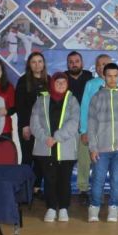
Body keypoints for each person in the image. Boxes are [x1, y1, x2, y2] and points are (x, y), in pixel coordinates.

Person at [87, 63, 118, 223]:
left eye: (116, 76)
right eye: (109, 76)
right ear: (104, 76)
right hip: (101, 149)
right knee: (98, 180)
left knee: (117, 180)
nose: (113, 79)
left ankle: (114, 208)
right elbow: (91, 125)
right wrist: (93, 147)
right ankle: (94, 208)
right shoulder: (96, 97)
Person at [31, 72, 81, 223]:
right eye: (57, 82)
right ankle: (51, 208)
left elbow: (74, 122)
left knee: (64, 180)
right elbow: (34, 122)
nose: (60, 85)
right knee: (49, 179)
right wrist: (45, 138)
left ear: (67, 84)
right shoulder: (41, 100)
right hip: (45, 146)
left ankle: (64, 208)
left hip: (65, 147)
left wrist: (57, 137)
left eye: (63, 82)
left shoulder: (72, 100)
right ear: (52, 84)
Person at [15, 52, 50, 194]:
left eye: (40, 61)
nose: (37, 64)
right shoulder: (23, 81)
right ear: (29, 64)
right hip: (28, 126)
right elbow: (20, 105)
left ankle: (36, 188)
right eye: (33, 62)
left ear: (44, 63)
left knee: (42, 158)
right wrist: (25, 126)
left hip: (44, 128)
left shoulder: (50, 80)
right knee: (27, 157)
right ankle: (24, 188)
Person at [64, 51, 93, 204]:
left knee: (84, 159)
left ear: (82, 63)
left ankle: (83, 189)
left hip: (84, 125)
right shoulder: (62, 79)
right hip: (67, 125)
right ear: (67, 64)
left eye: (77, 61)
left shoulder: (90, 78)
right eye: (71, 62)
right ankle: (64, 188)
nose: (74, 64)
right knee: (65, 158)